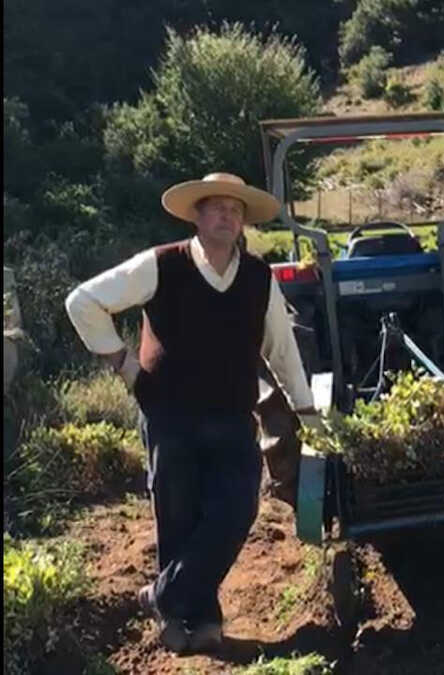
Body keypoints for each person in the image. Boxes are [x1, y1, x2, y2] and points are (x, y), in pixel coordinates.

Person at [64, 172, 321, 653]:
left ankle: (162, 596)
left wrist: (305, 409)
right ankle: (195, 622)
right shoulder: (162, 265)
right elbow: (83, 301)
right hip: (170, 415)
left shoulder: (258, 278)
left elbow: (282, 349)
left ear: (243, 222)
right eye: (218, 207)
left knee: (236, 510)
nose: (228, 216)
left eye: (236, 210)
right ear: (197, 217)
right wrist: (123, 362)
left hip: (231, 415)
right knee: (177, 515)